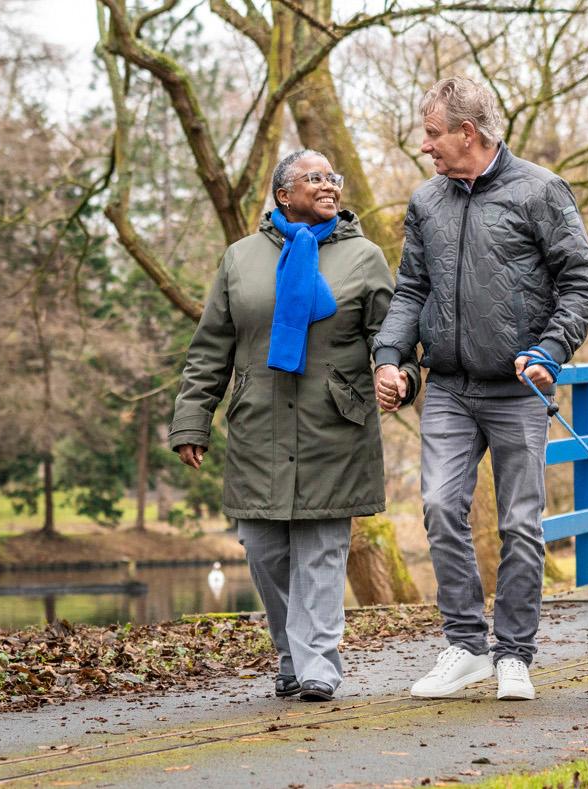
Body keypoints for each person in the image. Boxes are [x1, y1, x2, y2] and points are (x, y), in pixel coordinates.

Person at [373, 76, 588, 701]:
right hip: (448, 385)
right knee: (439, 508)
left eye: (432, 133)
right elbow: (411, 291)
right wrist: (391, 356)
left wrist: (552, 351)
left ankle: (515, 655)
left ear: (467, 133)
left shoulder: (541, 191)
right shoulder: (426, 202)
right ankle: (467, 646)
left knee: (521, 524)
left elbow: (583, 285)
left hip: (515, 388)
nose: (425, 147)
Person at [170, 149, 419, 702]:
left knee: (322, 548)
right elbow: (212, 347)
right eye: (314, 178)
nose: (329, 185)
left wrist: (398, 374)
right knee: (263, 548)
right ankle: (290, 654)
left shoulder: (363, 256)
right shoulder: (241, 259)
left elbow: (394, 335)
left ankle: (317, 665)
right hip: (258, 424)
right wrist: (193, 419)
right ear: (284, 193)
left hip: (334, 424)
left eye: (333, 177)